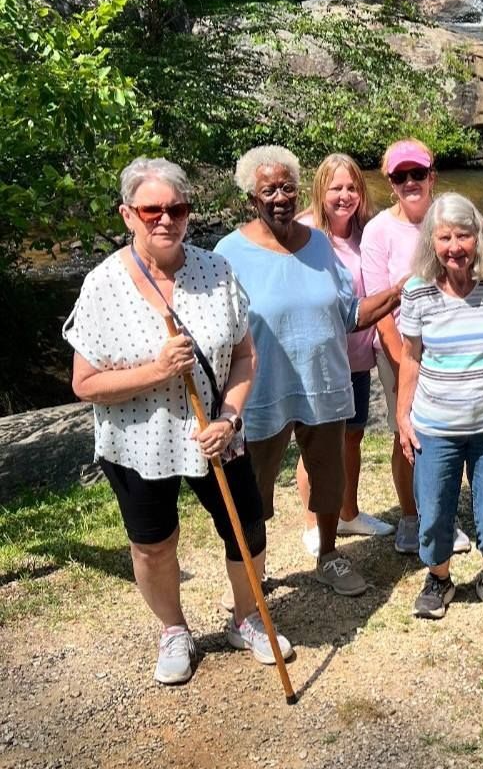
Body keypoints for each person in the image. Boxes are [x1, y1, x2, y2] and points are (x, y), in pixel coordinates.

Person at [63, 157, 293, 684]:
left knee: (246, 528)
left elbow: (245, 357)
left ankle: (247, 617)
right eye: (152, 210)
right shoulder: (102, 286)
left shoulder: (217, 271)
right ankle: (174, 629)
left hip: (216, 435)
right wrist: (157, 370)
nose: (165, 219)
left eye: (177, 208)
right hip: (138, 442)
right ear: (128, 215)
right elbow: (84, 384)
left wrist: (230, 417)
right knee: (153, 542)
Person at [215, 146, 368, 597]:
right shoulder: (228, 253)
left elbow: (349, 312)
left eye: (287, 187)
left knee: (329, 477)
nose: (280, 197)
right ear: (251, 198)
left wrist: (402, 291)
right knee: (253, 489)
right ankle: (252, 571)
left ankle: (329, 555)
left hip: (323, 381)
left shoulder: (319, 243)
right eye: (269, 191)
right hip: (260, 390)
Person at [397, 195, 483, 620]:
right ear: (431, 242)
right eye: (444, 237)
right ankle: (439, 578)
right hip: (436, 423)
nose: (454, 247)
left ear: (478, 238)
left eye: (463, 235)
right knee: (435, 508)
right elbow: (410, 358)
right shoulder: (416, 290)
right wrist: (403, 416)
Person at [360, 140, 469, 556]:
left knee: (448, 434)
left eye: (417, 174)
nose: (410, 182)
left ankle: (442, 516)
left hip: (451, 348)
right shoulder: (378, 231)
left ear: (431, 177)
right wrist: (402, 364)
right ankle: (410, 516)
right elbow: (380, 307)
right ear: (389, 183)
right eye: (400, 176)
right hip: (400, 349)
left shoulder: (450, 217)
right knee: (405, 432)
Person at [296, 153, 402, 555]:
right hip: (319, 359)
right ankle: (312, 522)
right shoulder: (305, 233)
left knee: (352, 435)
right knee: (318, 443)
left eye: (352, 187)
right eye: (336, 187)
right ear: (320, 190)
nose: (345, 196)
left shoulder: (366, 232)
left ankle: (348, 513)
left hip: (356, 355)